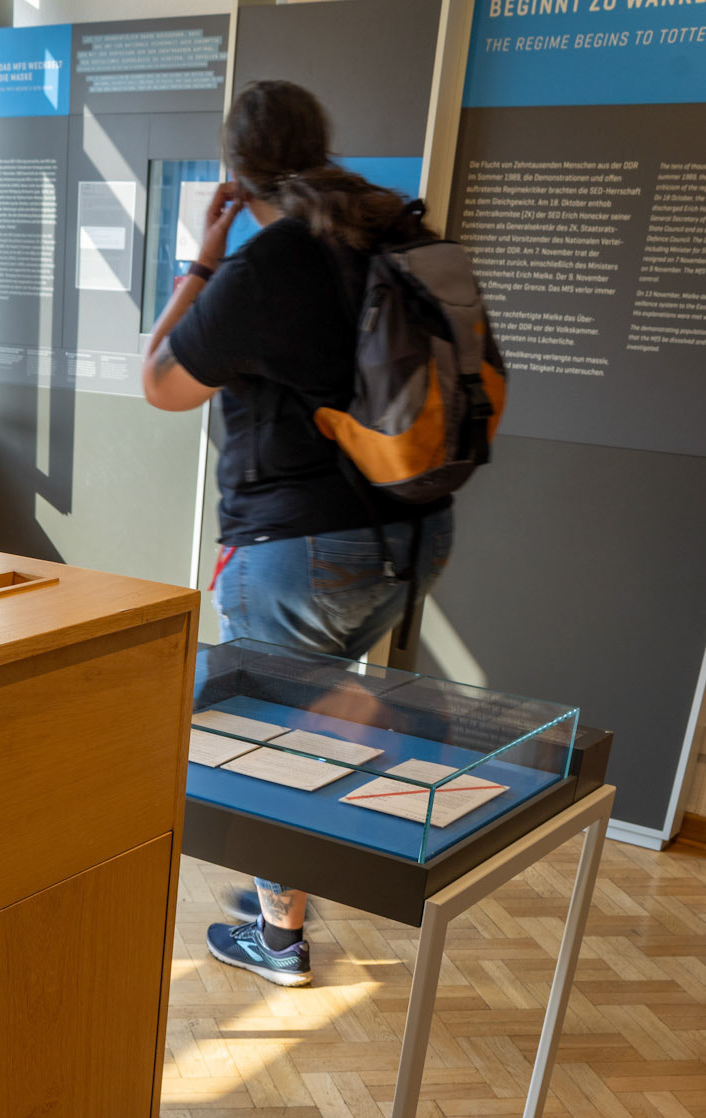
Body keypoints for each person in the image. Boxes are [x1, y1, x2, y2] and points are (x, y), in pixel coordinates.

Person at [141, 79, 455, 989]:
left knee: (270, 740)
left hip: (301, 555)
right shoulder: (386, 232)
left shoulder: (267, 264)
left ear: (236, 174)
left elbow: (159, 382)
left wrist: (202, 261)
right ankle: (301, 873)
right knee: (319, 709)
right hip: (412, 538)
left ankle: (279, 938)